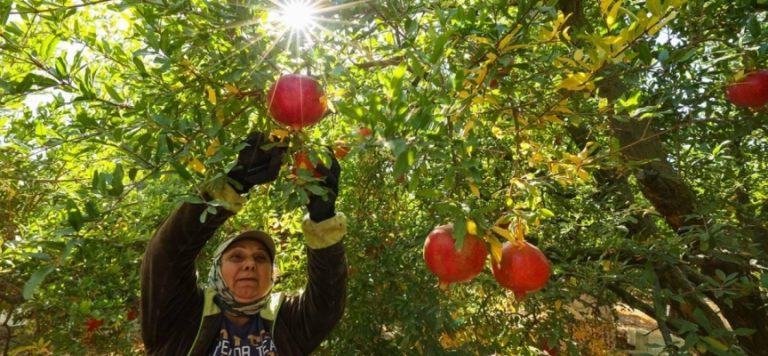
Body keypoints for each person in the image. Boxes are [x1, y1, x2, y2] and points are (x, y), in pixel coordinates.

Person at [140, 131, 348, 355]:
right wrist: (231, 184)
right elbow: (167, 255)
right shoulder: (181, 315)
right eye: (237, 256)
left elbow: (328, 302)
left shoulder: (289, 322)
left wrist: (323, 220)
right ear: (216, 269)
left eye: (260, 258)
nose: (250, 264)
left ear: (272, 275)